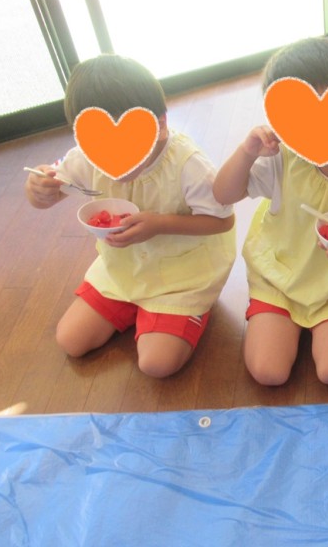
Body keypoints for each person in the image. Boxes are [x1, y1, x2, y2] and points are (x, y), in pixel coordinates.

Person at [25, 54, 236, 378]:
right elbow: (47, 194)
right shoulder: (84, 158)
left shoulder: (187, 164)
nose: (113, 161)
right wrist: (38, 188)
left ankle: (192, 309)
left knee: (156, 364)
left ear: (160, 124)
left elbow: (224, 221)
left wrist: (160, 224)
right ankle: (138, 309)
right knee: (70, 340)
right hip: (123, 267)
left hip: (184, 273)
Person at [213, 36, 328, 387]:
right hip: (280, 276)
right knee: (268, 372)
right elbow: (223, 194)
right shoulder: (282, 155)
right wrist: (247, 151)